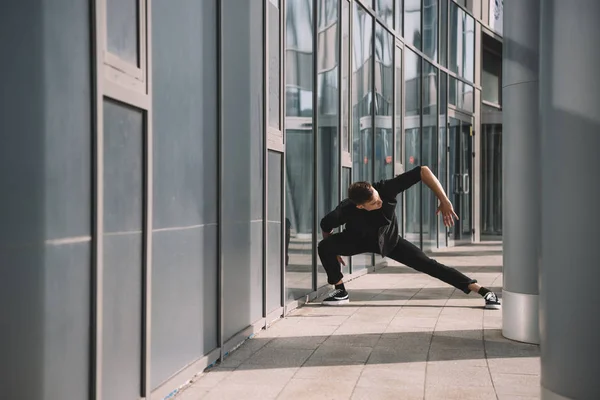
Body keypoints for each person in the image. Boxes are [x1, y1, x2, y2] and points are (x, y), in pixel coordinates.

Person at [318, 165, 501, 309]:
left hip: (390, 241)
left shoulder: (385, 189)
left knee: (428, 264)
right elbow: (325, 225)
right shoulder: (344, 210)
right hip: (356, 240)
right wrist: (333, 249)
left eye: (377, 196)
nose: (379, 201)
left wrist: (444, 200)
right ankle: (340, 291)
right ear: (360, 206)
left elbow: (423, 170)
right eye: (374, 203)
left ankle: (483, 291)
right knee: (324, 247)